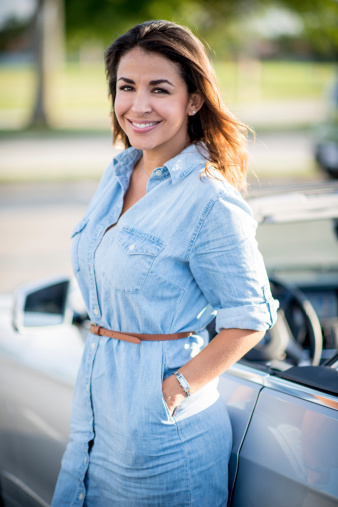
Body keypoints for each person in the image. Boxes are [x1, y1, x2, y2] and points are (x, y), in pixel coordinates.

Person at [51, 20, 279, 507]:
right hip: (94, 425)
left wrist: (172, 391)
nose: (139, 105)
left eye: (160, 89)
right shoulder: (118, 172)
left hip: (164, 444)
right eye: (126, 87)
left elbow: (251, 318)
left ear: (193, 100)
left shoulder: (209, 201)